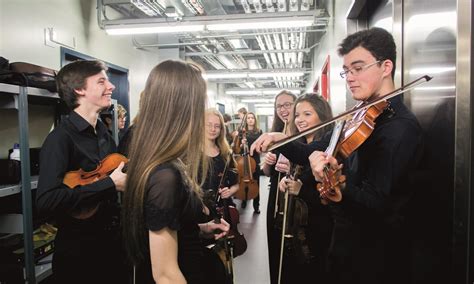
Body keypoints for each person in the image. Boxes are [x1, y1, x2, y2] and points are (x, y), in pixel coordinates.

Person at [252, 27, 423, 284]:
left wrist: (338, 184)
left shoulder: (398, 128)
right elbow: (317, 149)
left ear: (386, 67)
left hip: (373, 259)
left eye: (358, 68)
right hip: (345, 247)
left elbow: (377, 203)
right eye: (347, 71)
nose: (350, 78)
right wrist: (281, 140)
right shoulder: (359, 114)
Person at [122, 60, 229, 284]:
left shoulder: (162, 164)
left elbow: (166, 229)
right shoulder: (165, 176)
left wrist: (200, 229)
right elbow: (166, 275)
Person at [36, 60, 128, 284]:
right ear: (79, 90)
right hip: (79, 252)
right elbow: (46, 200)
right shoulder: (60, 139)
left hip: (111, 243)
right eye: (101, 81)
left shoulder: (103, 133)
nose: (111, 86)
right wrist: (108, 184)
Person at [277, 93, 334, 283]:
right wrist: (286, 182)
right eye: (297, 115)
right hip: (298, 225)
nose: (300, 120)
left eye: (307, 114)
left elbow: (329, 198)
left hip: (318, 228)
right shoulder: (300, 143)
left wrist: (301, 190)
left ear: (322, 116)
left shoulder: (327, 148)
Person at [260, 90, 297, 284]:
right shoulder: (275, 133)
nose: (283, 110)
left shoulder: (300, 133)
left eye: (287, 104)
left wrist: (292, 165)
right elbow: (267, 173)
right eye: (279, 106)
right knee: (274, 243)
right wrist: (268, 161)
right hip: (275, 194)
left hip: (292, 195)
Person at [238, 111, 262, 213]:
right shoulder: (243, 133)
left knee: (256, 183)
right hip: (245, 160)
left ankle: (256, 206)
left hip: (255, 159)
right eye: (248, 118)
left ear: (255, 120)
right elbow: (238, 149)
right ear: (246, 120)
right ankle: (244, 199)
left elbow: (261, 147)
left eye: (252, 118)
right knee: (244, 182)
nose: (250, 119)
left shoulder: (259, 132)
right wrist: (242, 144)